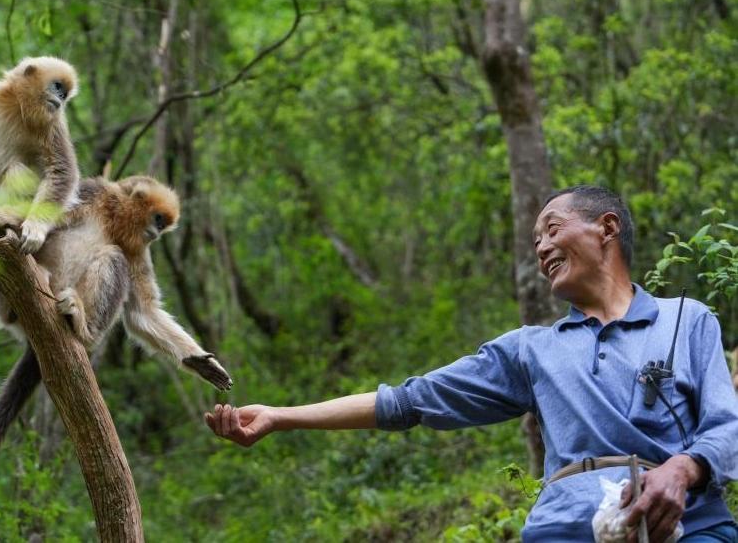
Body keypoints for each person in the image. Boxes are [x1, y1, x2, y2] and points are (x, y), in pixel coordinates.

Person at [206, 186, 738, 542]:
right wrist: (282, 416)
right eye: (536, 241)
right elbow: (408, 401)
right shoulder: (532, 349)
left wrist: (681, 469)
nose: (542, 247)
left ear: (607, 227)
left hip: (688, 526)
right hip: (564, 528)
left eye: (553, 229)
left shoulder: (686, 319)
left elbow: (725, 426)